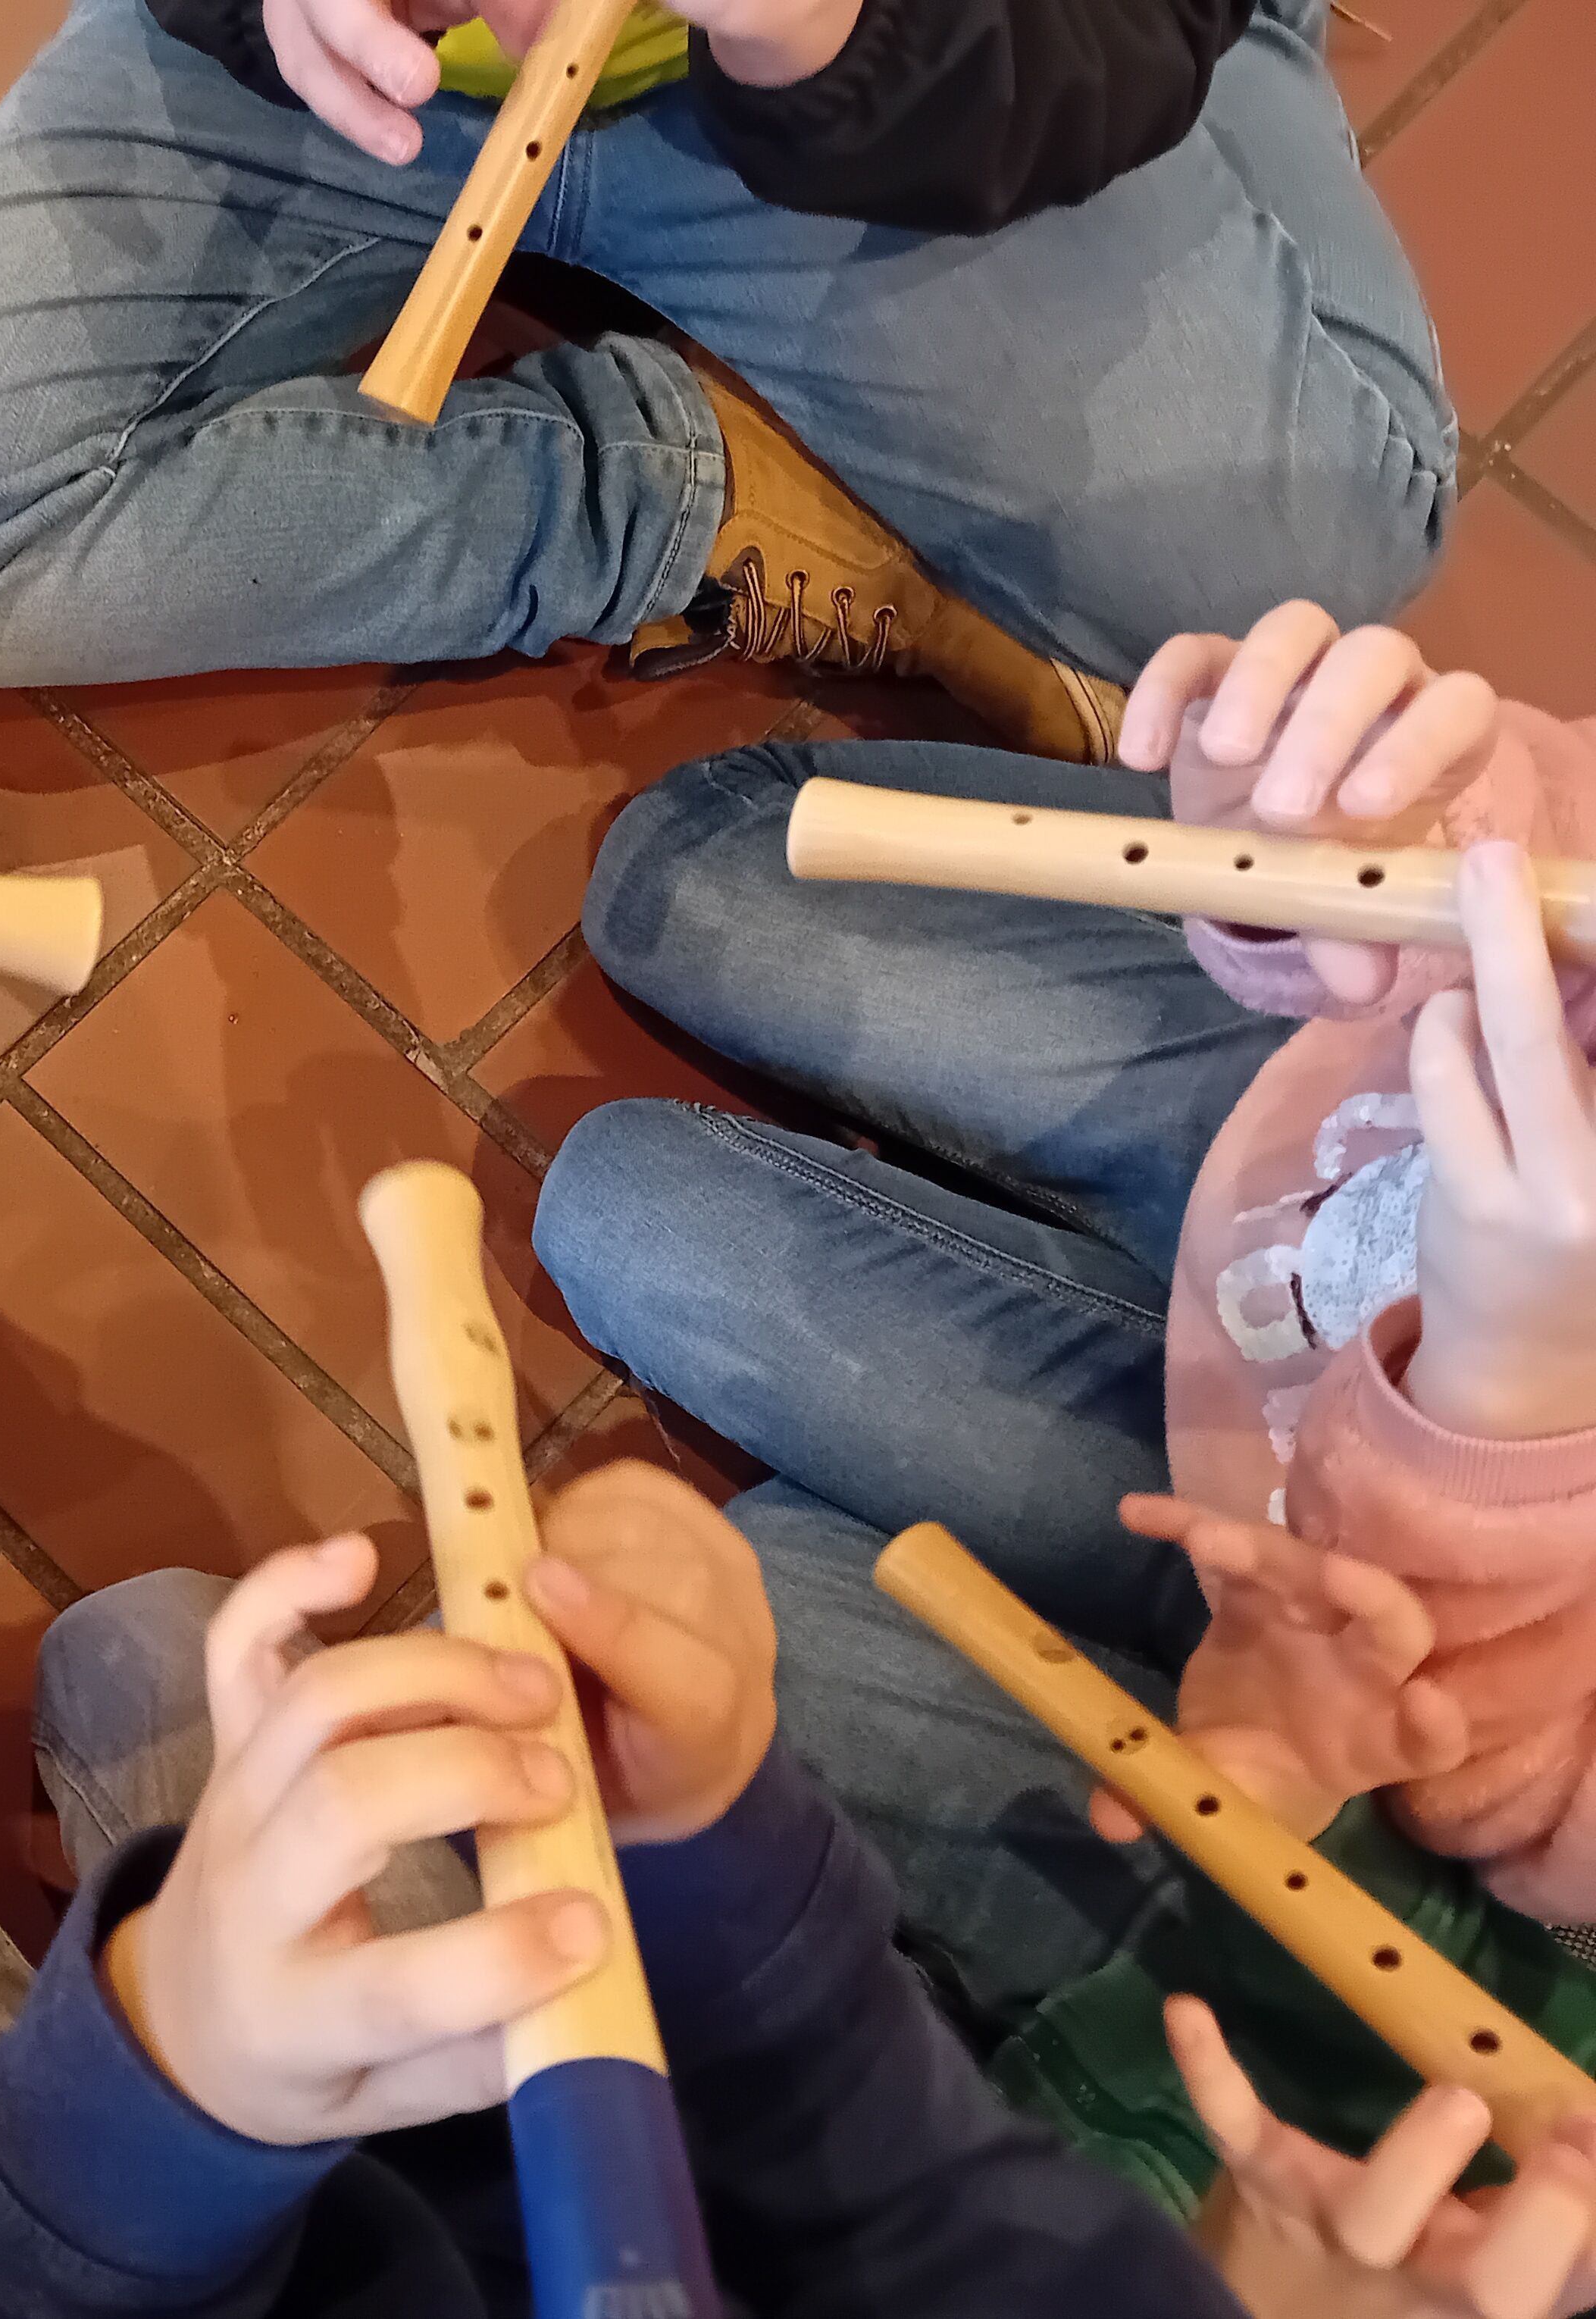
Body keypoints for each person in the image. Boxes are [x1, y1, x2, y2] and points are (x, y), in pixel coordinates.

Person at [531, 607, 1596, 2211]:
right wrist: (1392, 838)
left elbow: (1519, 1808)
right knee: (687, 876)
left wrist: (1499, 1401)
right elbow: (1546, 850)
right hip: (1342, 1126)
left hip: (1331, 1576)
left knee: (630, 1228)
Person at [0, 1467, 1596, 2317]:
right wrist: (703, 1840)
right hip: (494, 2152)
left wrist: (174, 2087)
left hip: (79, 2269)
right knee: (162, 1658)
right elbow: (896, 2208)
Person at [0, 0, 1450, 767]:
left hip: (915, 56)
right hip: (361, 80)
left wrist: (844, 41)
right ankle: (688, 488)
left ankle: (1254, 46)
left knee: (1300, 570)